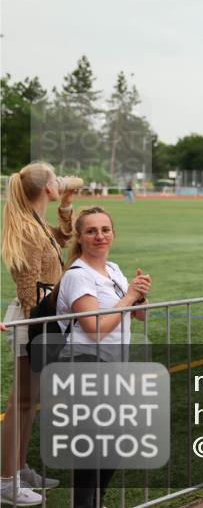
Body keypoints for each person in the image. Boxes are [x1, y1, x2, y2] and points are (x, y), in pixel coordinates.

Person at [56, 207, 151, 508]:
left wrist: (139, 296)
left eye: (105, 230)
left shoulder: (113, 269)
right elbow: (95, 329)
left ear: (113, 234)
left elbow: (136, 315)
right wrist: (129, 297)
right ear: (80, 237)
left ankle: (95, 501)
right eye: (91, 231)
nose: (100, 236)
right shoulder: (78, 275)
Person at [0, 162, 74, 506]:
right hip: (34, 322)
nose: (60, 181)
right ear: (47, 187)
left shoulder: (36, 221)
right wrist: (41, 329)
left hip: (40, 321)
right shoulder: (29, 229)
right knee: (20, 403)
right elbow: (28, 288)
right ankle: (5, 481)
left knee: (29, 403)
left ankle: (19, 468)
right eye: (56, 178)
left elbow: (63, 239)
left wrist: (67, 206)